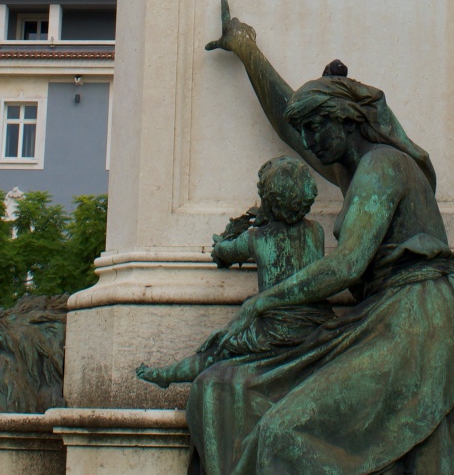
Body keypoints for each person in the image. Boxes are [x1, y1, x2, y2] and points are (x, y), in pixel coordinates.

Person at [186, 0, 454, 475]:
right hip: (388, 318)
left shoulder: (383, 170)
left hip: (421, 322)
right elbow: (291, 122)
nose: (310, 148)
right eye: (308, 137)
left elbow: (347, 266)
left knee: (284, 433)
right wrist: (248, 51)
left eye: (319, 133)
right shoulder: (364, 165)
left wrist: (264, 299)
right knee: (228, 390)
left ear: (346, 122)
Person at [137, 156, 333, 387]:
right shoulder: (316, 231)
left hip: (276, 329)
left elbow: (224, 253)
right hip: (316, 326)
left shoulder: (256, 238)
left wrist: (221, 244)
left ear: (269, 200)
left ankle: (167, 375)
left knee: (216, 351)